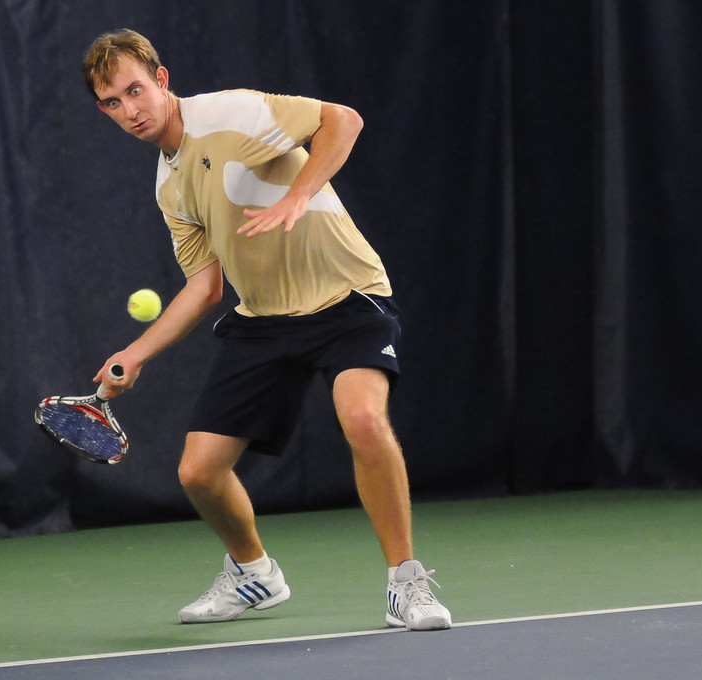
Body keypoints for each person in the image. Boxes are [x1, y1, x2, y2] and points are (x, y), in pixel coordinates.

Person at [81, 28, 451, 630]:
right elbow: (205, 287)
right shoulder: (168, 186)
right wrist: (136, 352)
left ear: (162, 80)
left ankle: (406, 584)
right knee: (198, 472)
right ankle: (255, 575)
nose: (130, 110)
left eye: (136, 90)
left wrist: (299, 195)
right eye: (113, 103)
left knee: (361, 417)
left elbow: (345, 121)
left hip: (345, 293)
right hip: (264, 317)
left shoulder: (232, 111)